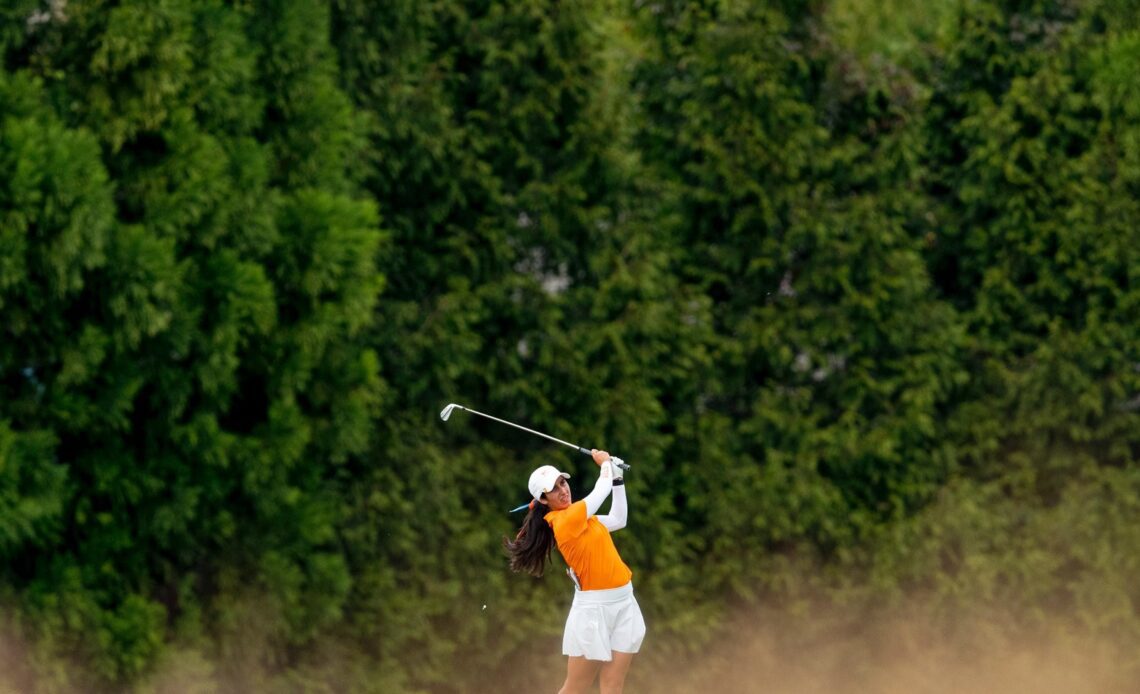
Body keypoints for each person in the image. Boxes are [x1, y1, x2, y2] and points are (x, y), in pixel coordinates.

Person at [504, 449, 645, 694]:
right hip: (593, 612)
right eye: (555, 488)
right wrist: (605, 466)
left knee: (613, 684)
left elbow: (619, 518)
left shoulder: (584, 518)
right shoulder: (563, 521)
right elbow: (600, 492)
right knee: (576, 687)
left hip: (624, 603)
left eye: (563, 482)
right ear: (544, 500)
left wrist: (619, 479)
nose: (563, 489)